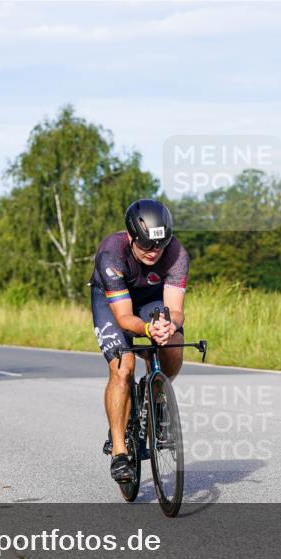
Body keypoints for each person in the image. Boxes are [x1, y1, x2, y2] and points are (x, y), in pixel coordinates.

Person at [89, 199, 189, 483]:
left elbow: (177, 310)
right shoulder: (111, 252)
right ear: (131, 237)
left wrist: (167, 327)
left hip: (152, 299)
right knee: (124, 367)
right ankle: (119, 451)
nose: (153, 252)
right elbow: (123, 319)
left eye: (160, 245)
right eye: (146, 245)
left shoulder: (177, 254)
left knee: (174, 344)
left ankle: (155, 390)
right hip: (112, 302)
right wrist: (147, 328)